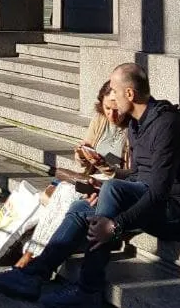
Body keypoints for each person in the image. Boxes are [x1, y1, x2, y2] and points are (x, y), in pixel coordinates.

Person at [0, 63, 180, 308]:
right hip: (150, 200)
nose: (111, 97)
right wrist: (101, 186)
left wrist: (115, 225)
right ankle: (33, 275)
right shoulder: (136, 124)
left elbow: (159, 191)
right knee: (81, 206)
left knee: (113, 191)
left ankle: (89, 289)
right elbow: (138, 176)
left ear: (129, 94)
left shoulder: (167, 126)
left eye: (114, 90)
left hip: (177, 213)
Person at [14, 81, 130, 269]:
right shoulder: (100, 118)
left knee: (64, 194)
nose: (112, 114)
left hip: (112, 186)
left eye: (117, 110)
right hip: (91, 177)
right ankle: (29, 251)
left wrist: (105, 167)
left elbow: (130, 176)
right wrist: (82, 156)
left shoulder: (133, 128)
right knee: (48, 197)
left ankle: (30, 255)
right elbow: (86, 155)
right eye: (107, 108)